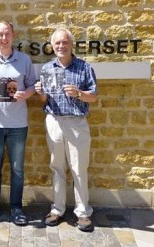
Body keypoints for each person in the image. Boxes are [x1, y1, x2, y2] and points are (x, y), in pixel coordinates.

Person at [35, 27, 98, 232]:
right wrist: (40, 93)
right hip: (53, 120)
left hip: (76, 123)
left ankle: (82, 213)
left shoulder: (84, 67)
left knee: (79, 168)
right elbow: (44, 100)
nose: (61, 46)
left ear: (71, 44)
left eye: (64, 42)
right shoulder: (47, 68)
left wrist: (79, 93)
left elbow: (93, 96)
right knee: (57, 167)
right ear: (52, 46)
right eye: (57, 43)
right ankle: (57, 209)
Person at [0, 20, 37, 226]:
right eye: (0, 34)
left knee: (17, 169)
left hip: (18, 124)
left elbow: (32, 86)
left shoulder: (24, 60)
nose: (3, 38)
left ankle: (16, 208)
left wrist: (25, 94)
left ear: (13, 35)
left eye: (7, 34)